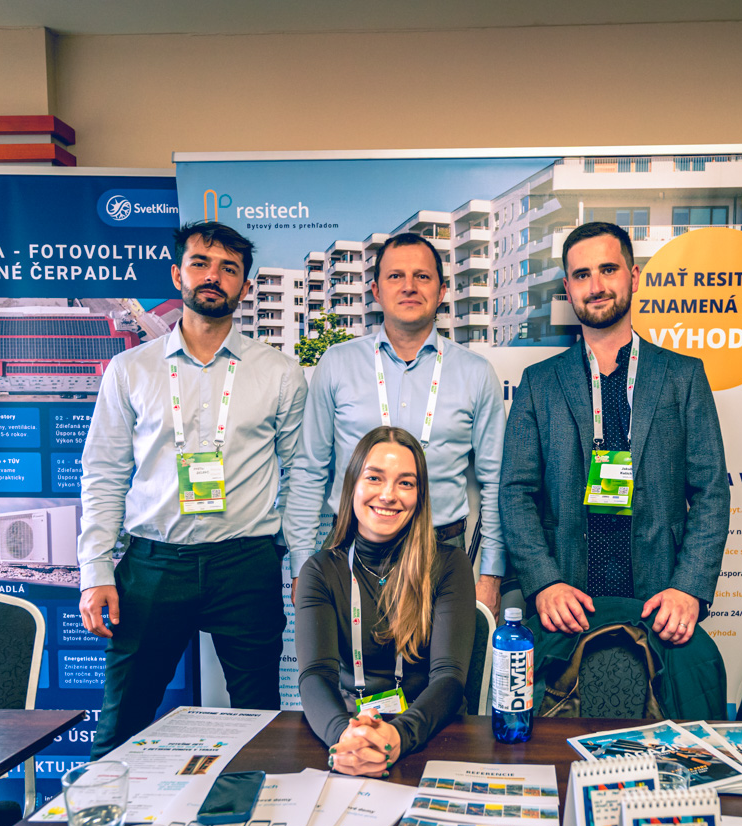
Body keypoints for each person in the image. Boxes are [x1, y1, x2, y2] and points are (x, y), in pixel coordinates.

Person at [79, 221, 308, 757]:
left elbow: (300, 476)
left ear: (244, 287)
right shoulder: (130, 370)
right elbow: (104, 472)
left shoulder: (279, 373)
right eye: (200, 263)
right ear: (177, 274)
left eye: (229, 269)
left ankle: (251, 809)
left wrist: (303, 562)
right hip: (153, 565)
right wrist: (95, 570)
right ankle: (105, 812)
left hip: (246, 565)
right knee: (120, 727)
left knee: (260, 727)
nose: (213, 277)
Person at [499, 221, 729, 645]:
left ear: (634, 276)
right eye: (582, 275)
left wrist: (689, 588)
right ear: (568, 288)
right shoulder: (538, 383)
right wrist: (544, 582)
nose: (596, 286)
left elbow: (711, 492)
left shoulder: (683, 376)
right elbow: (516, 493)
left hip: (660, 604)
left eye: (608, 269)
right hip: (567, 605)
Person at [285, 232, 505, 612]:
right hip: (351, 547)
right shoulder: (337, 364)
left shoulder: (476, 373)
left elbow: (497, 480)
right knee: (347, 653)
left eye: (422, 276)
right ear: (376, 290)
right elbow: (308, 469)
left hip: (441, 553)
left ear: (441, 291)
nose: (409, 286)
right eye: (395, 276)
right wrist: (303, 564)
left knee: (444, 654)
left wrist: (491, 574)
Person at [297, 426, 475, 775]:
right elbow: (315, 675)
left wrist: (397, 736)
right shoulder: (320, 570)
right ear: (353, 485)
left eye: (405, 483)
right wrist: (346, 738)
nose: (389, 494)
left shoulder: (449, 565)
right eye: (374, 478)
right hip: (350, 730)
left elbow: (449, 678)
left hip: (428, 731)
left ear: (419, 496)